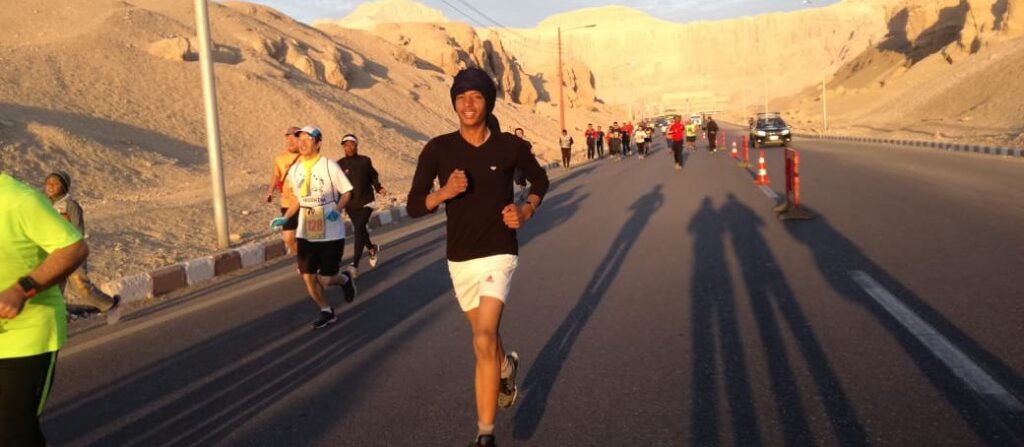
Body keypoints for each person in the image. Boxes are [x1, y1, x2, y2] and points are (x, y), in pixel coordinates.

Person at [407, 67, 550, 447]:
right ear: (454, 102)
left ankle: (485, 434)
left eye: (476, 97)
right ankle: (505, 367)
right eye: (461, 97)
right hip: (460, 258)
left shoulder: (509, 147)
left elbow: (540, 180)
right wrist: (443, 193)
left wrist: (526, 210)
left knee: (484, 338)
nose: (468, 104)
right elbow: (413, 206)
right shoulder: (438, 149)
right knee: (484, 338)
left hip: (499, 252)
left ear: (488, 102)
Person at [1, 170, 90, 447]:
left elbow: (74, 248)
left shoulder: (19, 200)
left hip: (25, 339)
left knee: (13, 431)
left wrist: (22, 289)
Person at [270, 126, 357, 329]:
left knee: (326, 279)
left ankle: (343, 279)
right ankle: (326, 310)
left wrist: (338, 209)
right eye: (300, 138)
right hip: (306, 230)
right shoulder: (295, 170)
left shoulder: (329, 166)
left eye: (308, 139)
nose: (302, 142)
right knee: (308, 276)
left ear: (318, 143)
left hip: (331, 231)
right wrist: (285, 218)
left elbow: (346, 193)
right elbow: (298, 200)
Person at [42, 171, 120, 315]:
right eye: (48, 183)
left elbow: (77, 230)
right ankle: (58, 315)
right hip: (53, 254)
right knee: (53, 289)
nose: (50, 186)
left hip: (71, 252)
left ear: (64, 187)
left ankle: (109, 304)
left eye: (55, 183)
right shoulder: (45, 205)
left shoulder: (70, 205)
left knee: (81, 286)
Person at [337, 134, 386, 275]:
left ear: (356, 145)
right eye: (346, 145)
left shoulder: (365, 160)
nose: (349, 147)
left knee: (359, 228)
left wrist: (378, 187)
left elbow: (373, 176)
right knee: (361, 229)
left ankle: (355, 264)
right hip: (350, 204)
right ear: (343, 147)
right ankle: (371, 248)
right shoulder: (339, 164)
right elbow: (337, 184)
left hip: (366, 201)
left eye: (352, 144)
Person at [266, 126, 302, 254]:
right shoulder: (280, 158)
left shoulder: (307, 158)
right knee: (288, 238)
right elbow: (276, 175)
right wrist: (270, 190)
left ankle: (310, 263)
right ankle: (301, 258)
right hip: (287, 203)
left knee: (308, 238)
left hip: (305, 204)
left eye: (295, 138)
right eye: (289, 138)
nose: (291, 141)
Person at [513, 128, 530, 202]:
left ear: (522, 134)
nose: (519, 134)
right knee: (517, 180)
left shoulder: (527, 143)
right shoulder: (512, 143)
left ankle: (522, 194)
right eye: (517, 133)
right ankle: (523, 190)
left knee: (522, 179)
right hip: (516, 165)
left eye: (520, 133)